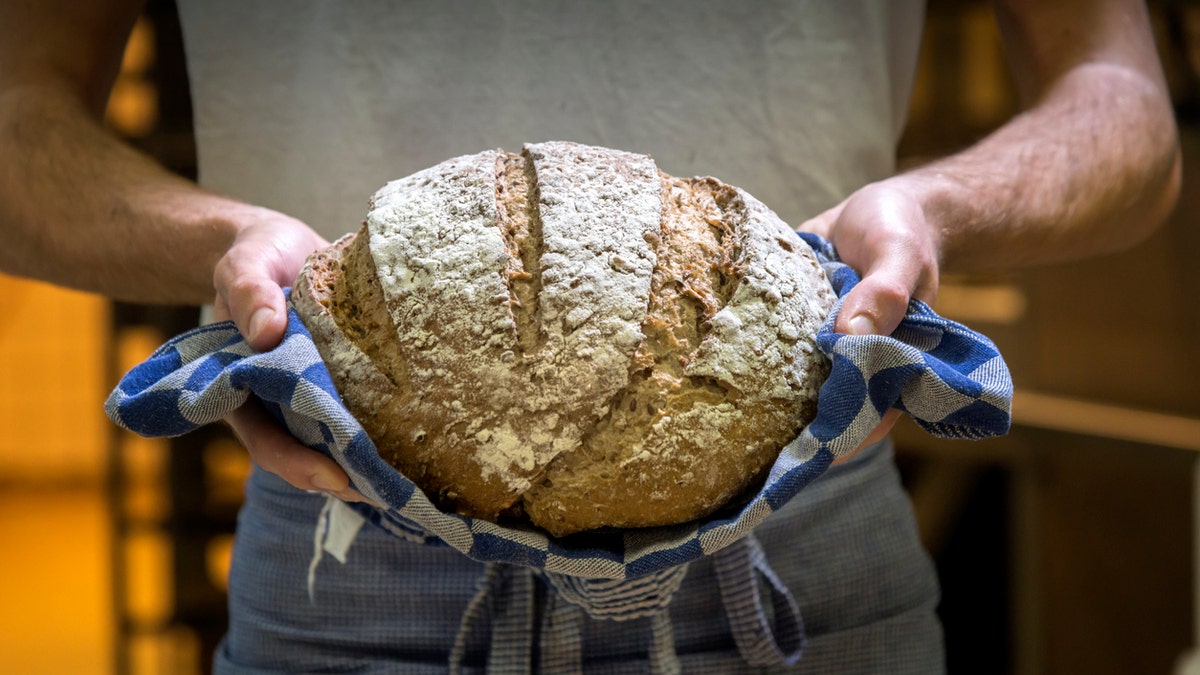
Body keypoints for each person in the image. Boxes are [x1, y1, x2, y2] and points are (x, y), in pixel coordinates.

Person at [0, 0, 1180, 672]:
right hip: (347, 571)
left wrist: (934, 208)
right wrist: (225, 240)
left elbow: (1126, 110)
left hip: (802, 563)